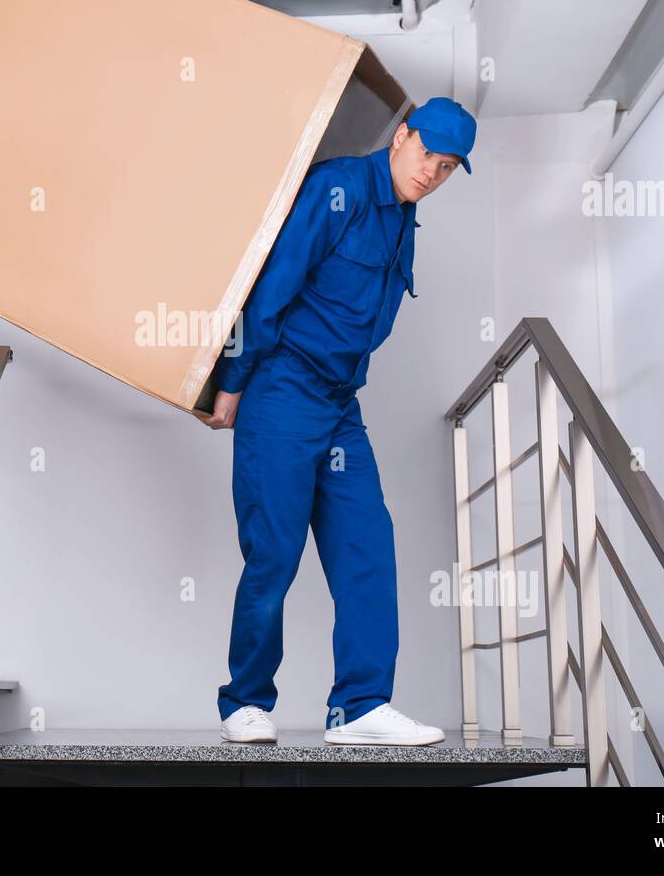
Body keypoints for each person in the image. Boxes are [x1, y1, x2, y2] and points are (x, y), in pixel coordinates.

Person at [199, 97, 477, 744]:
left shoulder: (404, 219)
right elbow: (273, 287)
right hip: (280, 390)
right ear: (402, 135)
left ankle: (359, 707)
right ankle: (244, 701)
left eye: (447, 168)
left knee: (367, 548)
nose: (431, 173)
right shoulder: (339, 189)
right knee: (274, 551)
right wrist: (233, 384)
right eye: (427, 155)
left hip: (338, 405)